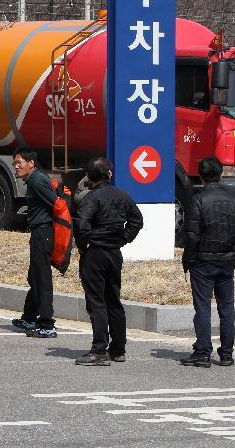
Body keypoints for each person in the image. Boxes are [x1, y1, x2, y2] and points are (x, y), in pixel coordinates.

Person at [73, 157, 143, 366]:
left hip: (95, 253)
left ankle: (99, 350)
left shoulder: (91, 198)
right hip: (114, 252)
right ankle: (118, 348)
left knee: (96, 302)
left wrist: (85, 242)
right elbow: (137, 220)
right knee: (113, 300)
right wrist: (123, 238)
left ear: (89, 177)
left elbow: (81, 223)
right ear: (109, 174)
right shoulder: (122, 195)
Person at [180, 157, 235, 368]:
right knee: (227, 308)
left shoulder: (198, 200)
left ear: (201, 175)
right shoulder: (234, 199)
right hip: (226, 260)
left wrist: (188, 260)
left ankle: (202, 351)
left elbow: (192, 236)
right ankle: (226, 353)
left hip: (203, 260)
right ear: (220, 174)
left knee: (203, 307)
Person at [11, 147, 59, 338]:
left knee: (42, 279)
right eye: (15, 163)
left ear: (31, 163)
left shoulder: (38, 181)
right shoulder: (32, 180)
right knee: (34, 277)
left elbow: (55, 205)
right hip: (39, 233)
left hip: (44, 233)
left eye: (19, 162)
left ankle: (47, 325)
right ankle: (29, 318)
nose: (16, 166)